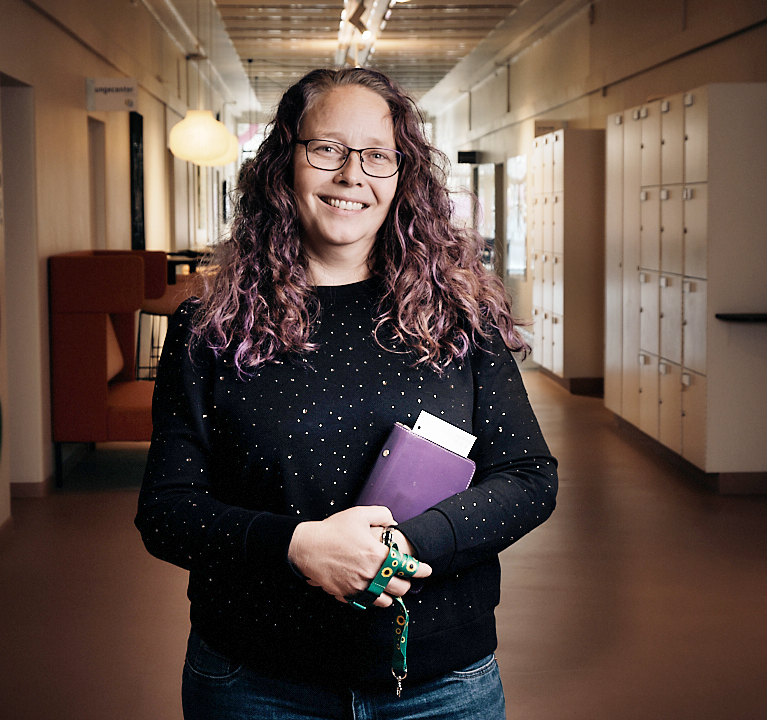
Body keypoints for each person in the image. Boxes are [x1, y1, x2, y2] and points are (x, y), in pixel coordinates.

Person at [135, 67, 558, 719]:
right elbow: (167, 510)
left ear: (401, 174)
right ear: (284, 159)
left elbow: (528, 476)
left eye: (377, 155)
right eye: (328, 148)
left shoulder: (460, 315)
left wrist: (409, 546)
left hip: (440, 683)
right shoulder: (211, 325)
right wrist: (297, 546)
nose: (351, 175)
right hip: (256, 680)